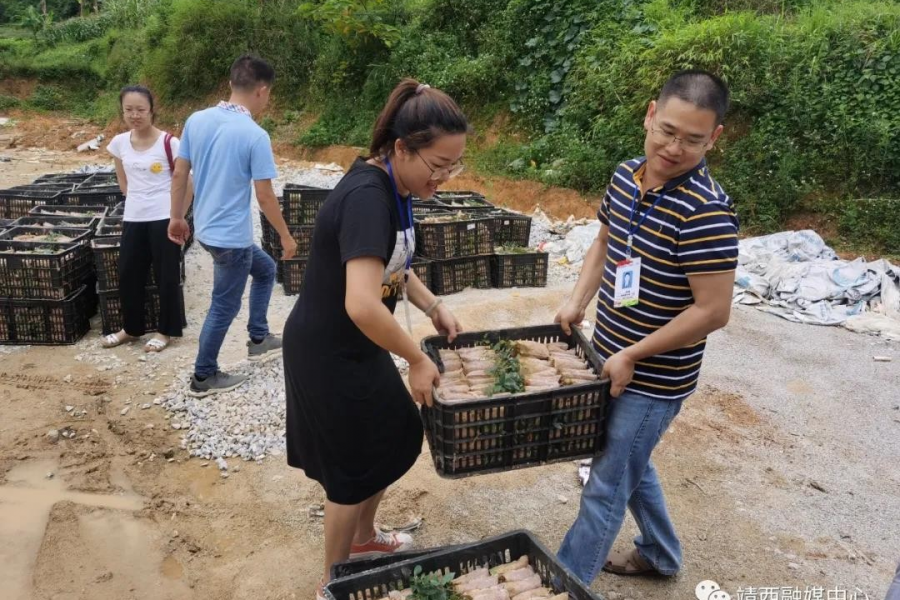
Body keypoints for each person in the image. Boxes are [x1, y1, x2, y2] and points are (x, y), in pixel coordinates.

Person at [281, 79, 467, 598]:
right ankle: (333, 581)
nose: (445, 178)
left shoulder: (395, 185)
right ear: (402, 148)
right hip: (328, 349)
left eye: (454, 166)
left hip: (360, 343)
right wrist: (416, 359)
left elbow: (394, 266)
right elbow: (362, 302)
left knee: (396, 432)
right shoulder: (368, 197)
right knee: (351, 466)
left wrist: (433, 307)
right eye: (438, 165)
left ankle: (363, 539)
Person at [554, 70, 739, 583]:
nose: (675, 147)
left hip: (654, 379)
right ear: (650, 114)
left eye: (693, 139)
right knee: (629, 463)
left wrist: (635, 354)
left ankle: (567, 584)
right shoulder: (625, 176)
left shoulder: (707, 212)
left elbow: (713, 310)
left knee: (606, 485)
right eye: (668, 131)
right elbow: (604, 242)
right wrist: (576, 301)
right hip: (607, 355)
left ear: (715, 138)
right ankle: (660, 554)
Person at [169, 55, 297, 398]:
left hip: (207, 231)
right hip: (231, 240)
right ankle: (204, 375)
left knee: (266, 269)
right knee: (224, 305)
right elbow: (265, 195)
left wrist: (177, 217)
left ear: (230, 84)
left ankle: (259, 337)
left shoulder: (197, 120)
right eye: (269, 95)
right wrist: (286, 236)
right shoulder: (255, 135)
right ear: (262, 90)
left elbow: (181, 173)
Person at [102, 85, 190, 353]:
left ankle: (165, 331)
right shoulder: (118, 143)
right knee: (128, 274)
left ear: (152, 110)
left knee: (166, 276)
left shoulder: (170, 143)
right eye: (129, 110)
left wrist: (179, 216)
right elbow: (123, 179)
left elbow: (188, 182)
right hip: (134, 218)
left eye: (140, 109)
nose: (135, 115)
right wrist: (134, 201)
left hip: (164, 217)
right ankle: (131, 328)